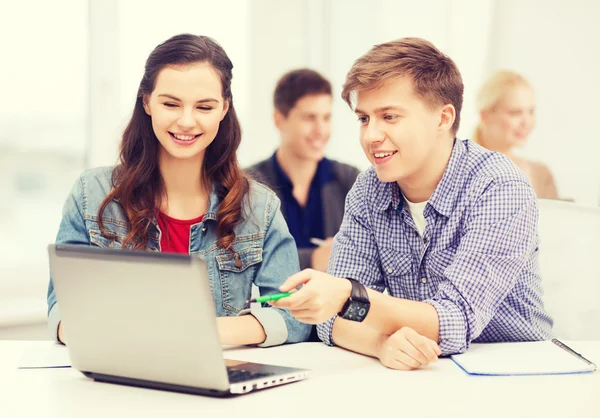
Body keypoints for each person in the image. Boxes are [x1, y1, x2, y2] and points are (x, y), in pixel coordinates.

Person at [270, 38, 553, 370]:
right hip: (424, 373)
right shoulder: (368, 189)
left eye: (389, 116)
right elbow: (333, 321)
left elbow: (453, 320)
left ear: (443, 118)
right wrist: (380, 343)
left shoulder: (498, 186)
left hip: (519, 372)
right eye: (363, 119)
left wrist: (350, 297)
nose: (371, 135)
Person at [46, 34, 311, 347]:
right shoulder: (93, 194)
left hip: (216, 380)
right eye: (171, 104)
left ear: (224, 108)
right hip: (120, 379)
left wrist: (193, 332)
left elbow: (292, 317)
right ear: (146, 102)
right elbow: (62, 311)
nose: (187, 121)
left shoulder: (259, 207)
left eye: (204, 106)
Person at [247, 69, 360, 272]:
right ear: (279, 120)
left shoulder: (349, 180)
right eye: (309, 118)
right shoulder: (249, 184)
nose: (321, 130)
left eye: (326, 118)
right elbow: (246, 258)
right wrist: (315, 259)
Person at [473, 70, 558, 199]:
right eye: (515, 113)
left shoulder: (541, 175)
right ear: (485, 116)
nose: (527, 122)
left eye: (531, 111)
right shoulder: (460, 169)